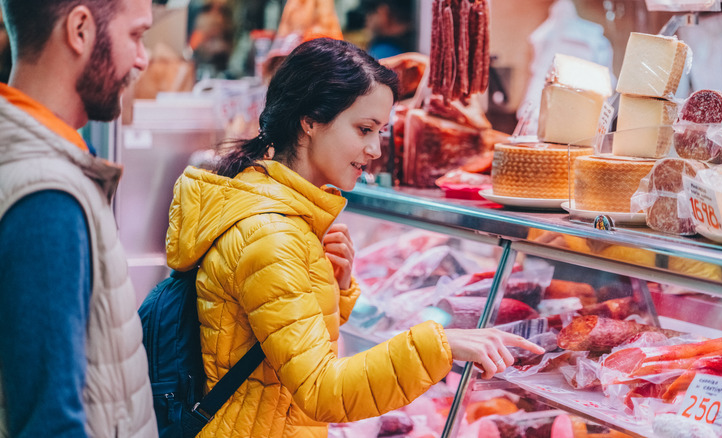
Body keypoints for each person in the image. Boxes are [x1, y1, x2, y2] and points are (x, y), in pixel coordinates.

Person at [164, 37, 544, 438]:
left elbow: (276, 347)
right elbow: (322, 391)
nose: (375, 149)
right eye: (364, 129)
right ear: (309, 121)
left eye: (379, 131)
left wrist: (333, 287)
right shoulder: (272, 235)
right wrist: (441, 345)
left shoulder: (278, 208)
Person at [0, 0, 157, 437]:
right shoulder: (46, 199)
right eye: (136, 36)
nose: (142, 59)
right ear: (81, 30)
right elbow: (49, 425)